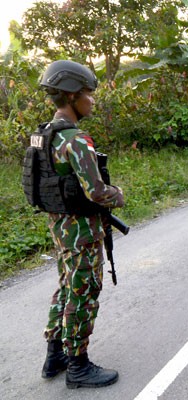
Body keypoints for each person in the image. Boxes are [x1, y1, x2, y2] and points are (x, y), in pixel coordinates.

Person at [36, 60, 125, 388]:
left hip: (59, 227)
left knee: (65, 284)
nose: (92, 99)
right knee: (83, 290)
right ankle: (78, 364)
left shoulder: (43, 134)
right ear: (72, 95)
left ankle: (54, 354)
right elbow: (96, 191)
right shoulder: (75, 139)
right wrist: (119, 195)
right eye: (88, 93)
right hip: (81, 230)